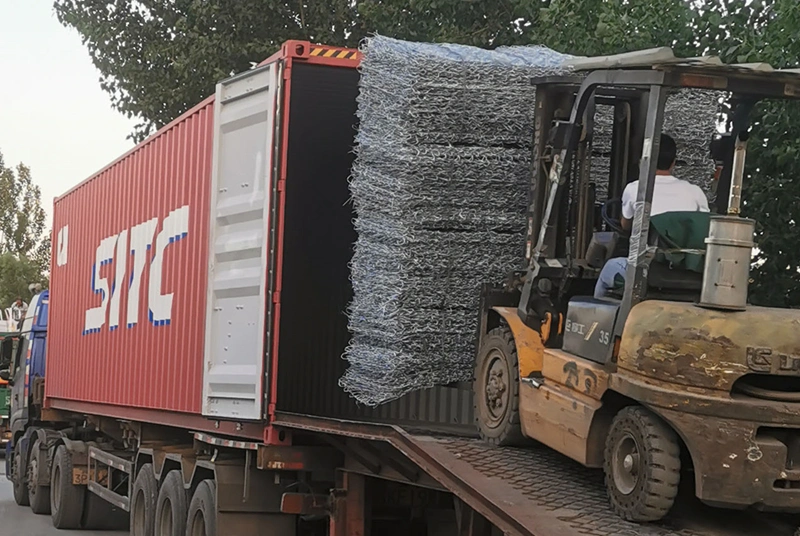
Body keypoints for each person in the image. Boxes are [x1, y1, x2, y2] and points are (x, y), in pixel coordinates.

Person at [594, 134, 709, 299]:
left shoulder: (636, 189)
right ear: (673, 163)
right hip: (689, 273)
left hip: (648, 272)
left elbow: (625, 225)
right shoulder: (696, 192)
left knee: (608, 269)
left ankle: (599, 322)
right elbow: (702, 229)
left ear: (643, 160)